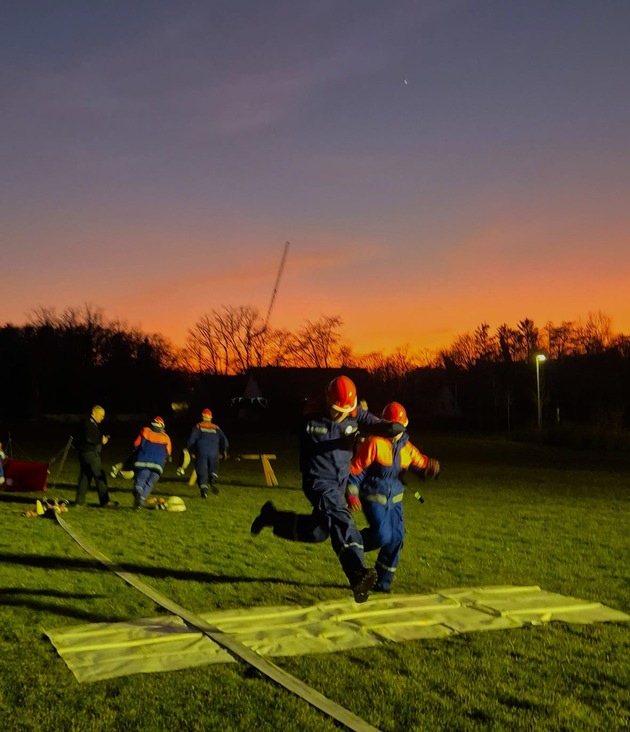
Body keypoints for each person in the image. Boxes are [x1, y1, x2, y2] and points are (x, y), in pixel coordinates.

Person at [250, 375, 404, 603]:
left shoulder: (353, 414)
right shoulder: (309, 416)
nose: (340, 415)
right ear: (326, 401)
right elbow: (281, 416)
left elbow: (375, 423)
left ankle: (272, 517)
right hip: (318, 482)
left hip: (338, 483)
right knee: (342, 520)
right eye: (335, 410)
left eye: (345, 411)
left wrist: (391, 428)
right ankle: (358, 575)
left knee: (318, 531)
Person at [347, 401, 440, 593]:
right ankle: (349, 545)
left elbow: (421, 464)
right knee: (383, 535)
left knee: (397, 537)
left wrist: (431, 468)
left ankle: (382, 583)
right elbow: (355, 470)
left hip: (395, 500)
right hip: (373, 496)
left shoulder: (407, 447)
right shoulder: (374, 444)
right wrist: (352, 494)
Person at [178, 408, 229, 498]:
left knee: (202, 471)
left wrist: (187, 448)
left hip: (202, 452)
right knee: (213, 467)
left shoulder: (198, 426)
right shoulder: (216, 428)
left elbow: (192, 439)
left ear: (202, 416)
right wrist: (224, 450)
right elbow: (224, 440)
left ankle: (204, 491)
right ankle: (212, 479)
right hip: (214, 452)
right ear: (211, 417)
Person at [74, 405, 115, 507]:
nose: (102, 418)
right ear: (94, 412)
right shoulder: (89, 423)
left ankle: (79, 501)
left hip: (83, 453)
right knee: (100, 476)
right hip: (90, 454)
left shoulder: (86, 423)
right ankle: (105, 501)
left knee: (85, 477)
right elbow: (90, 438)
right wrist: (101, 440)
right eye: (101, 415)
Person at [131, 416, 172, 509]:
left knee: (141, 480)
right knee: (149, 483)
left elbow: (136, 445)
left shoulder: (145, 431)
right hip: (158, 465)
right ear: (162, 426)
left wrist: (133, 454)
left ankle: (138, 491)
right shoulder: (166, 437)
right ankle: (140, 501)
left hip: (143, 461)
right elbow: (169, 453)